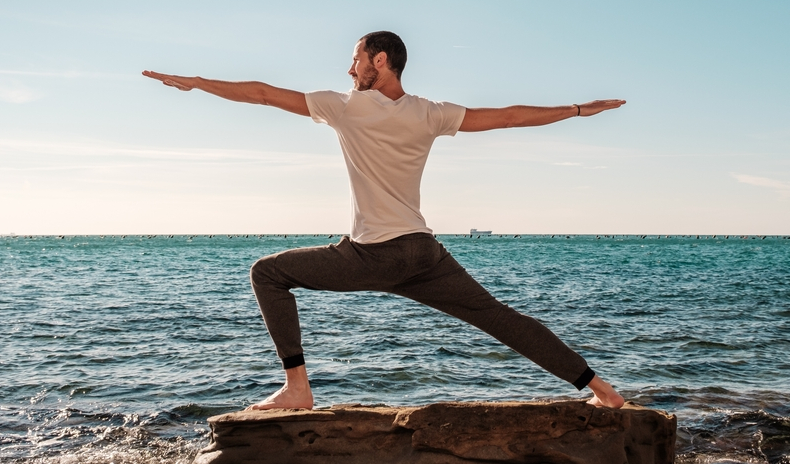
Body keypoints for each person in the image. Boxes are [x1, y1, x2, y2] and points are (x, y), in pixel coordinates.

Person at [143, 31, 627, 411]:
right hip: (422, 253)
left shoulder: (346, 107)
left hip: (374, 254)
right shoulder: (430, 113)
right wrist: (578, 110)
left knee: (268, 273)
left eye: (355, 58)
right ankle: (603, 390)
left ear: (379, 61)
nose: (348, 68)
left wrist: (199, 83)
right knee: (501, 320)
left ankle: (296, 388)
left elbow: (266, 94)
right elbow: (506, 117)